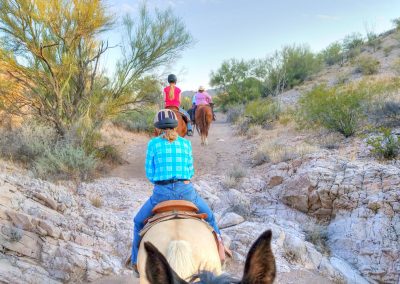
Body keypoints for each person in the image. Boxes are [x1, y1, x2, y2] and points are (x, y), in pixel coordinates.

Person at [130, 109, 226, 275]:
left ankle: (134, 262)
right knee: (210, 217)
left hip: (160, 194)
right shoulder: (185, 143)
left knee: (138, 221)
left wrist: (160, 181)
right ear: (176, 125)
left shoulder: (153, 144)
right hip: (186, 192)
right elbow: (190, 171)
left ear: (158, 127)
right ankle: (221, 254)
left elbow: (149, 173)